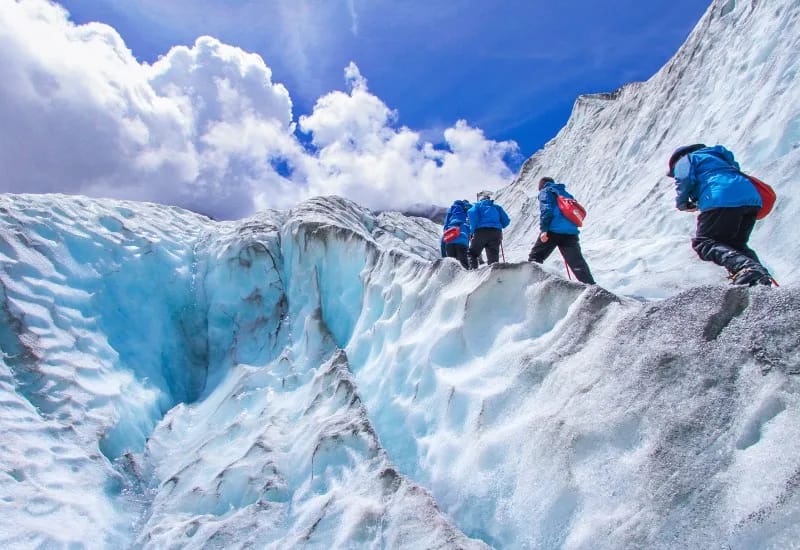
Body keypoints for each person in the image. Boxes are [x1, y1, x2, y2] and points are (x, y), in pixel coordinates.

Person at [667, 143, 772, 286]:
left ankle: (747, 269)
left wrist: (683, 203)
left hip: (721, 197)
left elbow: (684, 179)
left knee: (704, 242)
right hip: (751, 197)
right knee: (736, 244)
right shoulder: (719, 156)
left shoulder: (686, 159)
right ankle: (760, 278)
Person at [528, 177, 595, 284]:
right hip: (571, 232)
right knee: (577, 262)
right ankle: (591, 286)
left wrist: (544, 230)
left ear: (541, 185)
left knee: (535, 257)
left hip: (553, 230)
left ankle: (533, 283)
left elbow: (547, 210)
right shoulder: (565, 193)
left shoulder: (545, 191)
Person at [466, 191, 510, 269]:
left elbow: (472, 216)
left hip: (481, 232)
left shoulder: (477, 206)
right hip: (496, 233)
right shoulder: (497, 207)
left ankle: (472, 273)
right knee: (493, 259)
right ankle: (494, 275)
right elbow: (506, 221)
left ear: (481, 200)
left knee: (472, 254)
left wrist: (472, 231)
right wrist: (499, 225)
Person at [441, 199, 472, 268]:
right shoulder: (467, 216)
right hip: (462, 243)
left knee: (452, 266)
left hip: (449, 241)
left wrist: (443, 256)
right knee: (463, 265)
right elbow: (471, 232)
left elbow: (445, 226)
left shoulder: (451, 211)